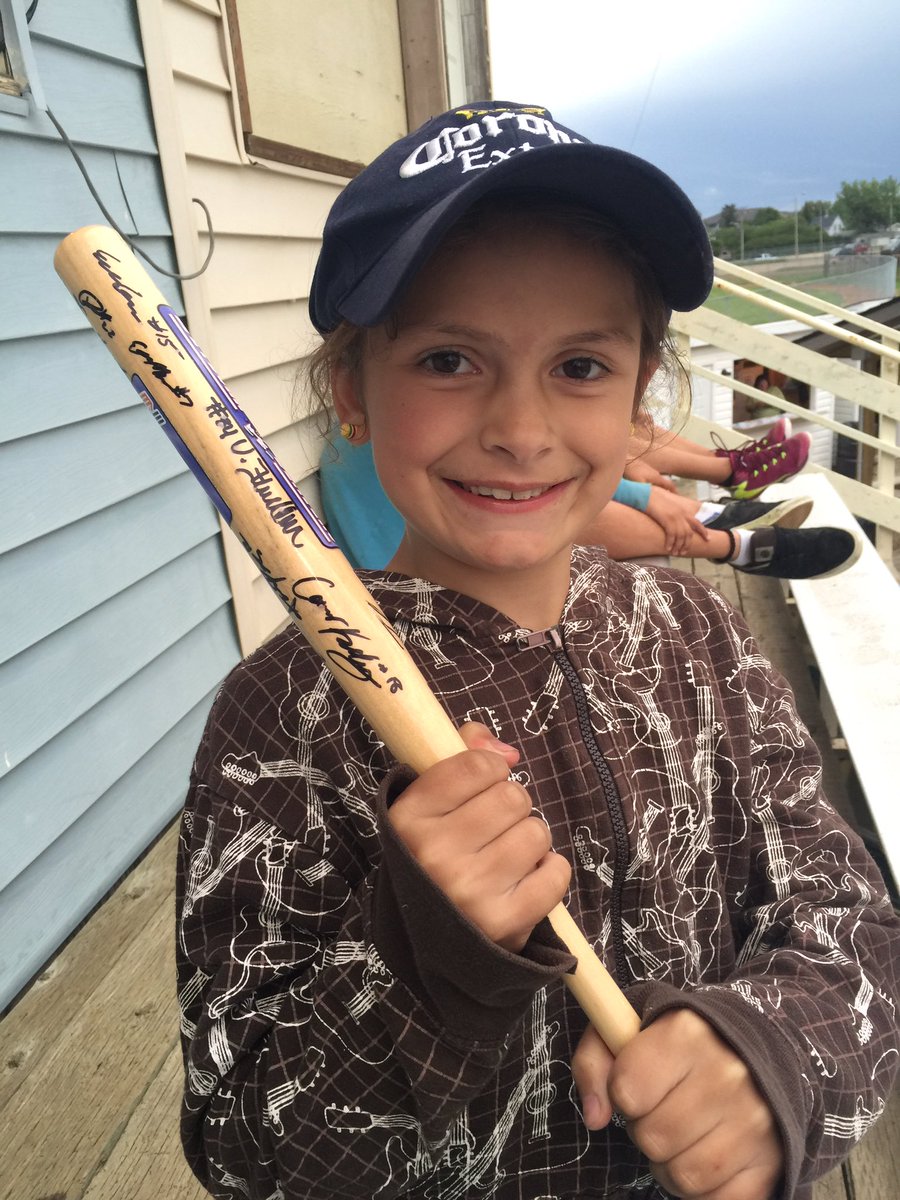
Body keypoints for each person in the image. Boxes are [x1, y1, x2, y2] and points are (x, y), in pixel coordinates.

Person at [176, 102, 898, 1200]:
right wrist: (423, 966)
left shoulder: (696, 635)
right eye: (451, 358)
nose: (520, 426)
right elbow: (243, 1146)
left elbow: (854, 926)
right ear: (351, 394)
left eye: (580, 366)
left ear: (642, 386)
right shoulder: (283, 718)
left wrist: (776, 1061)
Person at [320, 426, 862, 574]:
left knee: (622, 432)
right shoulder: (386, 434)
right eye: (444, 362)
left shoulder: (365, 434)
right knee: (547, 501)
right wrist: (645, 493)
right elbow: (532, 475)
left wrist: (641, 483)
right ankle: (730, 534)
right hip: (428, 571)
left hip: (450, 548)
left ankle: (726, 509)